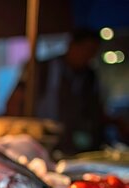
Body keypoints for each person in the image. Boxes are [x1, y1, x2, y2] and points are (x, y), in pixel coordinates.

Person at [6, 28, 104, 156]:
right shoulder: (43, 68)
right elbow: (15, 99)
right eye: (86, 49)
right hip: (39, 139)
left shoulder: (89, 76)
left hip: (74, 142)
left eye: (93, 52)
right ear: (72, 46)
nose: (89, 56)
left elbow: (96, 109)